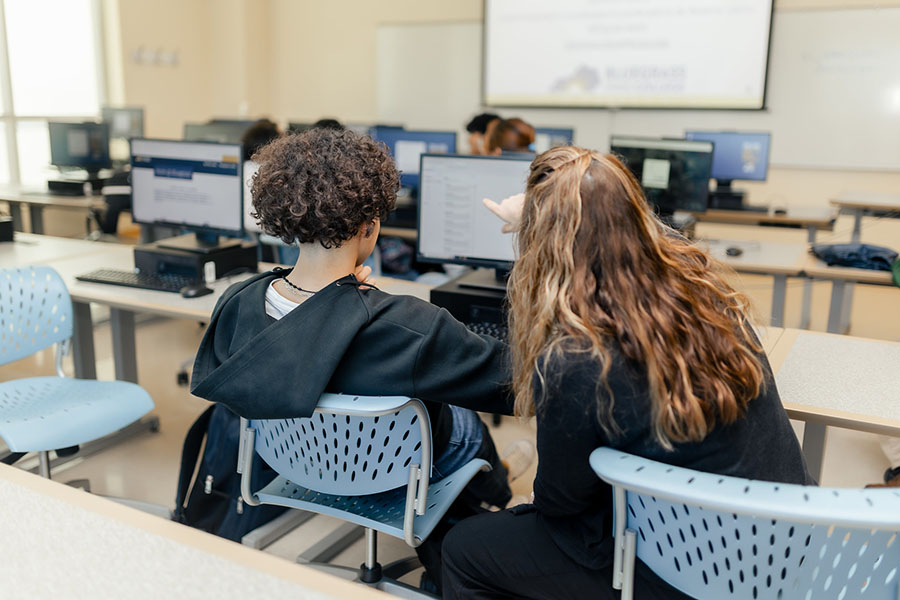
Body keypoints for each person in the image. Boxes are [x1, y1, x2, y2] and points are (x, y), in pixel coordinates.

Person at [441, 146, 814, 599]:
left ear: (546, 246)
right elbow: (635, 228)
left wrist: (542, 215)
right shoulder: (704, 289)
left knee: (464, 548)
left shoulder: (575, 358)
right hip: (786, 546)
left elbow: (561, 502)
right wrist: (547, 209)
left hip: (689, 573)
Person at [190, 127, 523, 591]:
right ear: (369, 224)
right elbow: (524, 385)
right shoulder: (410, 326)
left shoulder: (236, 303)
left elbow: (299, 348)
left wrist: (343, 300)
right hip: (391, 472)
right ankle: (495, 495)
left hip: (297, 462)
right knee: (465, 418)